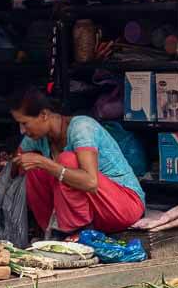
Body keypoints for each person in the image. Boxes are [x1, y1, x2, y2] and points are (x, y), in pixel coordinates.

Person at [10, 86, 145, 236]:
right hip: (94, 217)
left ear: (43, 115)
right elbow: (17, 163)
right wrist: (1, 174)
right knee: (33, 168)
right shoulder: (37, 137)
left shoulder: (82, 127)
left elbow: (91, 182)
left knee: (66, 160)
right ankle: (51, 233)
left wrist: (45, 163)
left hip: (123, 206)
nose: (22, 130)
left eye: (24, 123)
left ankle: (75, 233)